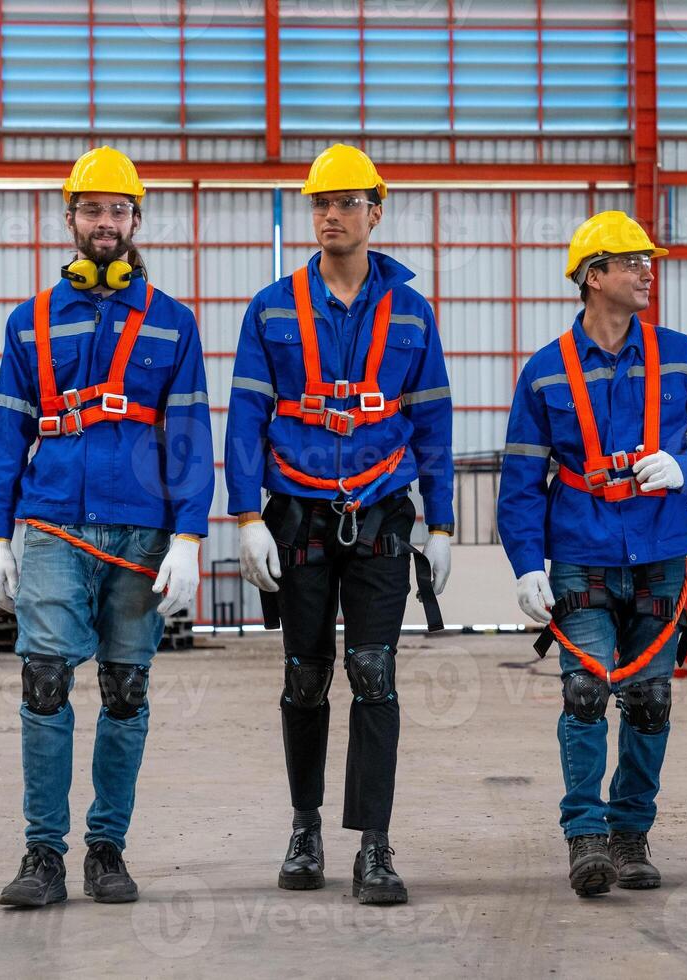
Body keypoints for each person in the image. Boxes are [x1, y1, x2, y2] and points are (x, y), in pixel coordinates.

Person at [0, 146, 213, 907]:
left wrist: (189, 537)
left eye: (117, 210)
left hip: (142, 534)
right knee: (45, 682)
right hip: (53, 528)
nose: (104, 222)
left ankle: (106, 850)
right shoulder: (32, 322)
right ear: (70, 218)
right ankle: (41, 855)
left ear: (136, 219)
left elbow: (187, 439)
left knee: (124, 689)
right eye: (91, 209)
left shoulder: (172, 324)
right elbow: (6, 432)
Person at [225, 144, 453, 906]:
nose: (330, 214)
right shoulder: (270, 308)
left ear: (375, 211)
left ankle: (375, 846)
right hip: (296, 513)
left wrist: (444, 525)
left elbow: (433, 425)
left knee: (374, 674)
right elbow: (245, 417)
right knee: (305, 677)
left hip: (382, 511)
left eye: (347, 202)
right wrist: (247, 513)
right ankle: (304, 827)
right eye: (320, 203)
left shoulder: (412, 312)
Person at [497, 211, 687, 897]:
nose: (646, 271)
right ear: (592, 276)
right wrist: (526, 564)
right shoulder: (545, 373)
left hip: (661, 548)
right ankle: (586, 836)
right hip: (580, 549)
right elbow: (520, 478)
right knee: (583, 692)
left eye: (647, 260)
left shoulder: (685, 357)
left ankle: (631, 833)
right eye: (631, 261)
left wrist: (684, 466)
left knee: (650, 698)